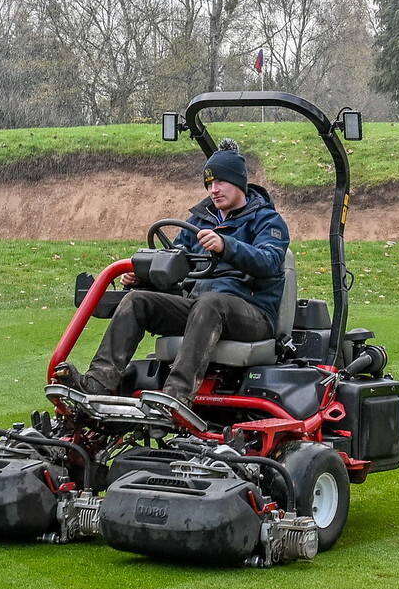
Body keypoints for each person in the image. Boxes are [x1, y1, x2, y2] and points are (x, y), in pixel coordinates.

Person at [55, 140, 289, 406]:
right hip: (201, 309)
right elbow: (175, 261)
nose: (213, 190)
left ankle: (175, 395)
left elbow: (269, 261)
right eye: (209, 184)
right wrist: (142, 277)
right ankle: (98, 383)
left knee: (210, 303)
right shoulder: (200, 221)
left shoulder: (268, 221)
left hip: (253, 313)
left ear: (238, 181)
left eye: (220, 182)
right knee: (137, 300)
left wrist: (227, 246)